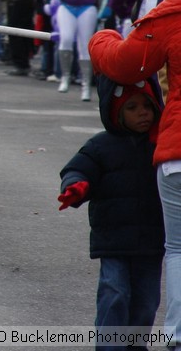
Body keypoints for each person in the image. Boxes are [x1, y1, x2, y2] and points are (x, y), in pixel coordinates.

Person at [57, 73, 164, 349]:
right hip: (113, 238)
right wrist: (76, 186)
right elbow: (78, 168)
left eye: (147, 106)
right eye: (132, 107)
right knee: (114, 292)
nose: (142, 113)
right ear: (115, 112)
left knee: (147, 301)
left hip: (152, 239)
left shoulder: (162, 144)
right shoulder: (100, 146)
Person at [50, 0, 113, 101]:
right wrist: (53, 0)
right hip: (67, 6)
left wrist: (108, 6)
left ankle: (86, 85)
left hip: (87, 7)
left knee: (85, 46)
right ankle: (65, 76)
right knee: (66, 39)